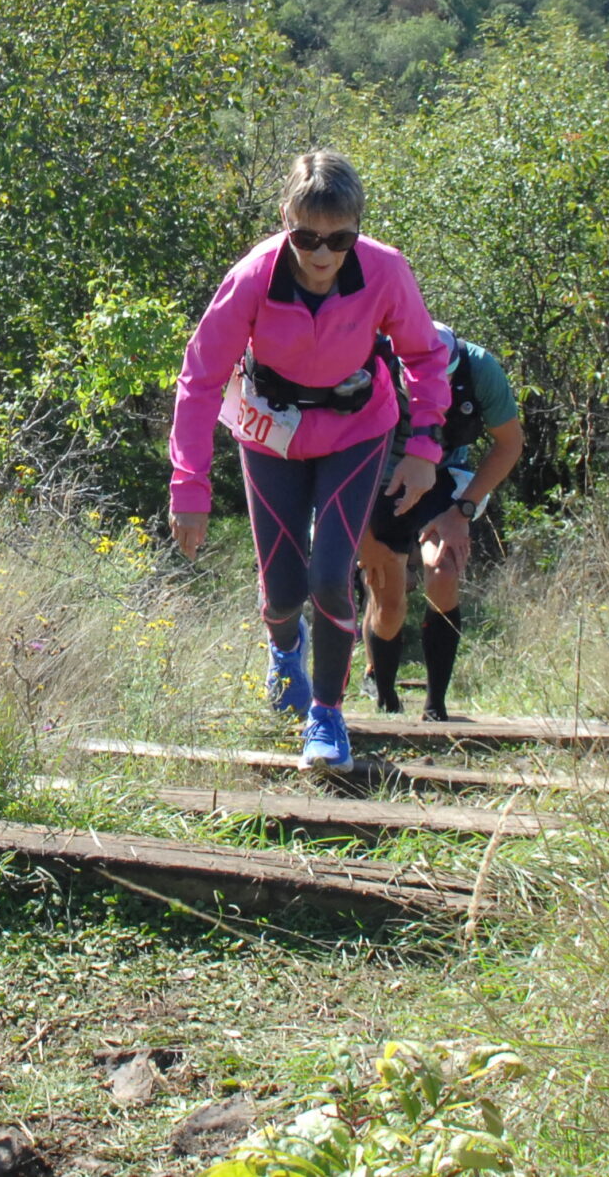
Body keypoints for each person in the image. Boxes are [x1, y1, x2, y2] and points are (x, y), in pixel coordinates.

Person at [167, 151, 455, 773]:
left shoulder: (384, 270)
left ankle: (327, 715)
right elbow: (200, 378)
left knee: (329, 576)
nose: (322, 254)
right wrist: (189, 487)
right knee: (283, 590)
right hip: (271, 433)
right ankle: (283, 646)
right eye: (306, 238)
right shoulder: (253, 276)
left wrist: (423, 450)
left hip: (357, 430)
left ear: (358, 228)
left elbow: (426, 357)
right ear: (285, 220)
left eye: (339, 239)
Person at [357, 332, 524, 720]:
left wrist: (461, 511)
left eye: (443, 379)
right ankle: (385, 696)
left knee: (444, 569)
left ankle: (436, 706)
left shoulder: (480, 368)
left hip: (443, 474)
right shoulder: (368, 362)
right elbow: (330, 448)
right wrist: (362, 536)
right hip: (376, 479)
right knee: (388, 597)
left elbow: (510, 443)